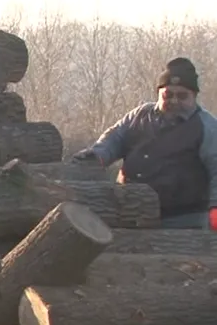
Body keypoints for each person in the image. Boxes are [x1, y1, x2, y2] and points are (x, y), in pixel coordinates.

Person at [72, 57, 217, 229]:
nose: (174, 101)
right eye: (168, 95)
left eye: (182, 96)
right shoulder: (140, 115)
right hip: (130, 211)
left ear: (194, 96)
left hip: (184, 220)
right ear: (159, 93)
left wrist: (214, 210)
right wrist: (96, 156)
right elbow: (114, 139)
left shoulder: (206, 126)